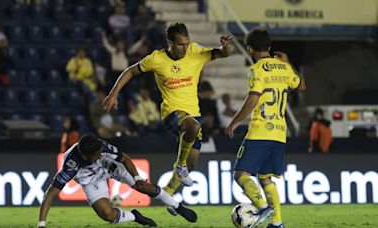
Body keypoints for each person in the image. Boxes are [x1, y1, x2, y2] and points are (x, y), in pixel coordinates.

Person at [102, 23, 232, 202]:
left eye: (187, 43)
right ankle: (179, 166)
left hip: (194, 112)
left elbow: (221, 53)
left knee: (192, 162)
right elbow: (130, 71)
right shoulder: (157, 59)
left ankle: (168, 192)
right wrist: (114, 93)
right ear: (169, 42)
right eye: (180, 44)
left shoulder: (195, 51)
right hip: (172, 113)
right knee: (192, 128)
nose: (185, 48)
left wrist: (225, 47)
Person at [225, 28, 306, 228]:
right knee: (266, 178)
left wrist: (235, 121)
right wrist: (288, 63)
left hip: (260, 130)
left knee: (241, 174)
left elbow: (254, 98)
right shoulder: (284, 67)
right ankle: (277, 223)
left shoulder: (256, 69)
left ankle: (262, 207)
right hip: (279, 133)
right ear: (269, 46)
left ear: (250, 49)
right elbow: (301, 86)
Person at [38, 135, 197, 228]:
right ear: (86, 157)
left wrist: (137, 178)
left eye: (101, 151)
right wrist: (41, 225)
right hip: (91, 179)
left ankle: (177, 206)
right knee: (107, 215)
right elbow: (50, 194)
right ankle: (135, 216)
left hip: (110, 167)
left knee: (144, 187)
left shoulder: (101, 147)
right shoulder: (71, 165)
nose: (101, 154)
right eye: (97, 155)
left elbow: (125, 159)